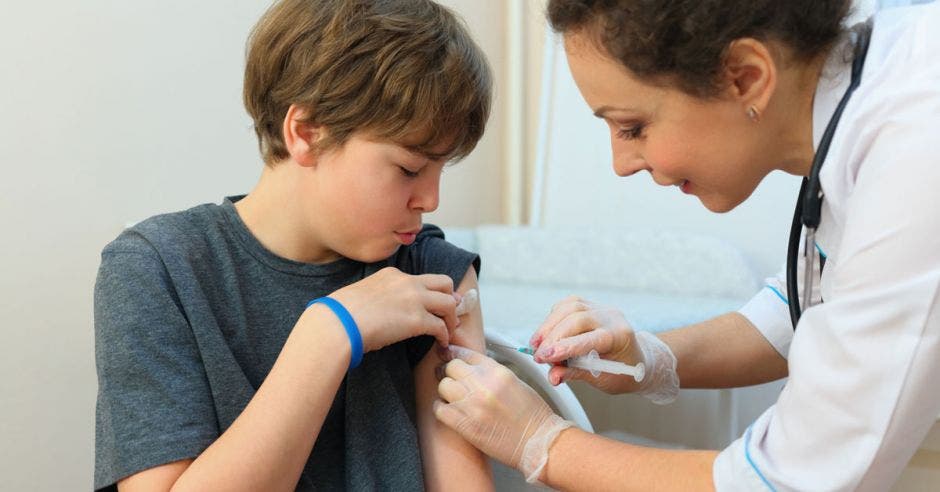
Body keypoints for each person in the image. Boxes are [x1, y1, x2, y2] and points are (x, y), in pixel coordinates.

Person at [433, 0, 940, 490]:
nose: (621, 164)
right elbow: (809, 304)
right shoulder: (864, 84)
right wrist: (649, 359)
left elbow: (790, 481)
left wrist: (540, 442)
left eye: (633, 127)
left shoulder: (916, 152)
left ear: (746, 76)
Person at [92, 0, 493, 490]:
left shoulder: (429, 271)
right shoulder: (157, 269)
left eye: (440, 169)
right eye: (409, 169)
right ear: (305, 133)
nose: (430, 199)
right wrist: (329, 333)